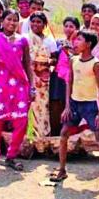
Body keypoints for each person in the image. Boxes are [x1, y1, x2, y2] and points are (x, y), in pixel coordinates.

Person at [50, 30, 99, 189]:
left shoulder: (95, 64)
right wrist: (67, 106)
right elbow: (70, 82)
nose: (75, 42)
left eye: (79, 40)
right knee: (63, 134)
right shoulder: (73, 60)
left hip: (90, 106)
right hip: (75, 104)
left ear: (88, 44)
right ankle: (62, 169)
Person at [0, 9, 34, 170]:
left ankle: (11, 156)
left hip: (18, 86)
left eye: (15, 20)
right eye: (9, 19)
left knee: (21, 123)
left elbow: (27, 65)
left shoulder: (23, 41)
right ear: (2, 21)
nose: (12, 23)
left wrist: (32, 86)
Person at [26, 11, 57, 139]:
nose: (35, 24)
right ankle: (28, 135)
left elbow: (55, 59)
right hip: (28, 77)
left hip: (43, 81)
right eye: (33, 21)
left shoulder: (49, 41)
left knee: (42, 107)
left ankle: (42, 135)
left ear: (44, 24)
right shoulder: (25, 38)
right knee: (29, 106)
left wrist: (46, 62)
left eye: (39, 22)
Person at [50, 16, 80, 136]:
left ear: (77, 28)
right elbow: (54, 57)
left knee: (68, 103)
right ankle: (56, 132)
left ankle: (67, 132)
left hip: (71, 77)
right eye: (66, 26)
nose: (68, 29)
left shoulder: (78, 44)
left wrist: (69, 48)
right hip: (58, 75)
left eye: (71, 26)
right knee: (56, 103)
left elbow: (76, 58)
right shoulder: (59, 42)